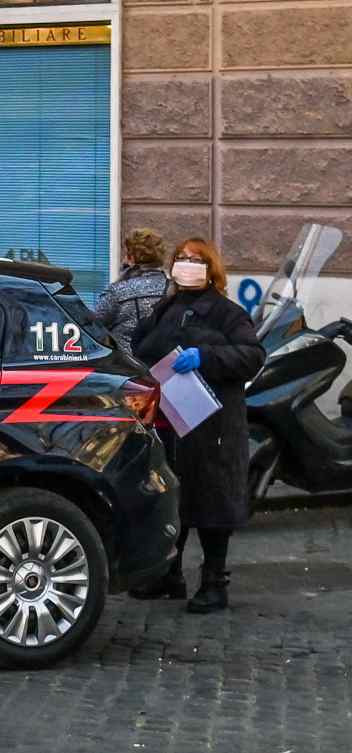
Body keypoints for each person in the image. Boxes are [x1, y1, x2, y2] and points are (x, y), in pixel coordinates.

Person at [130, 238, 264, 613]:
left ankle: (214, 581)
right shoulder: (167, 307)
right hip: (171, 418)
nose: (186, 264)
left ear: (211, 268)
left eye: (195, 259)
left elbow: (252, 356)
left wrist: (206, 356)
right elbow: (143, 345)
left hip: (214, 424)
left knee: (212, 500)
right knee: (173, 497)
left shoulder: (228, 313)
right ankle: (170, 574)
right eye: (181, 258)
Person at [94, 228, 170, 356]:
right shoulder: (172, 288)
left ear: (131, 258)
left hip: (126, 365)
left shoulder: (118, 291)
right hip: (164, 366)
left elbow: (94, 325)